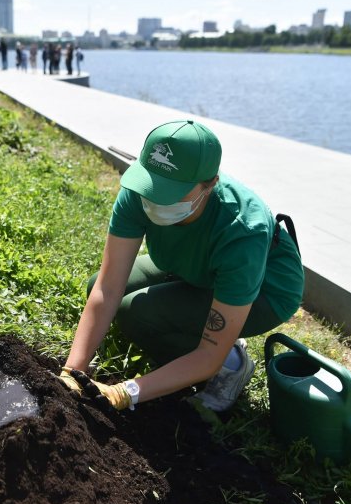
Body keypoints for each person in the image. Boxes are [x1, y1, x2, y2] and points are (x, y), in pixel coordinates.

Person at [59, 120, 304, 413]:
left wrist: (125, 393)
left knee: (136, 314)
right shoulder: (141, 190)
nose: (156, 199)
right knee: (96, 285)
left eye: (172, 192)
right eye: (153, 186)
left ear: (211, 184)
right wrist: (73, 372)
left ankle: (231, 364)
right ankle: (198, 327)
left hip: (267, 290)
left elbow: (207, 354)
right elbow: (108, 286)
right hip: (199, 269)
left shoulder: (242, 231)